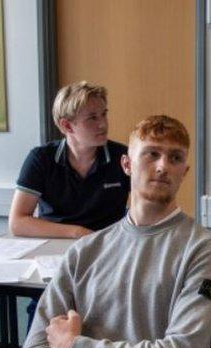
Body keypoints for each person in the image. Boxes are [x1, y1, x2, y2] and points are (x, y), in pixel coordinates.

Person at [18, 115, 211, 348]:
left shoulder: (204, 249)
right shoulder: (85, 251)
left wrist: (77, 347)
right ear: (127, 165)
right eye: (152, 154)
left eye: (175, 158)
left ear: (185, 171)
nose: (162, 166)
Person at [8, 81, 130, 239]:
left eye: (104, 114)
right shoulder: (41, 159)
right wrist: (77, 232)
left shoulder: (123, 157)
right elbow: (17, 222)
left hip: (107, 245)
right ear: (67, 126)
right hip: (54, 244)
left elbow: (148, 209)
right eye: (92, 118)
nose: (103, 124)